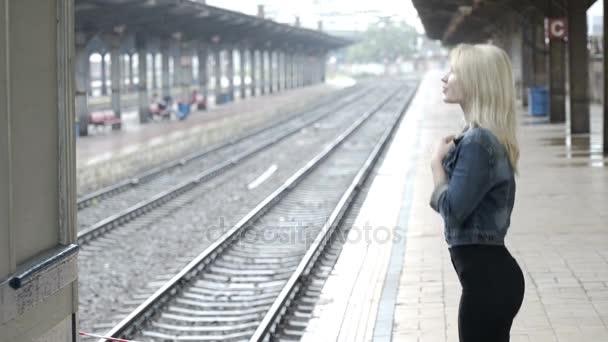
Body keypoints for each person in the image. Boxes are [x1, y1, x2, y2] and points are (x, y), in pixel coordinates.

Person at [429, 44, 525, 342]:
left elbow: (455, 210)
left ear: (476, 80)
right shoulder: (478, 138)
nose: (445, 78)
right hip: (489, 279)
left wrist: (436, 166)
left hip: (487, 282)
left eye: (454, 71)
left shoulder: (477, 142)